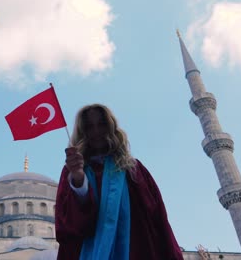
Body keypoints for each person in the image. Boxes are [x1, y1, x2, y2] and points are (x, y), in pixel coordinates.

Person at [55, 104, 183, 260]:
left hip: (134, 248)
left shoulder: (133, 169)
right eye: (89, 127)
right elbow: (68, 224)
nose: (96, 132)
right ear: (82, 132)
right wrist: (79, 179)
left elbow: (157, 217)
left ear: (110, 127)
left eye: (101, 124)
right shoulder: (71, 170)